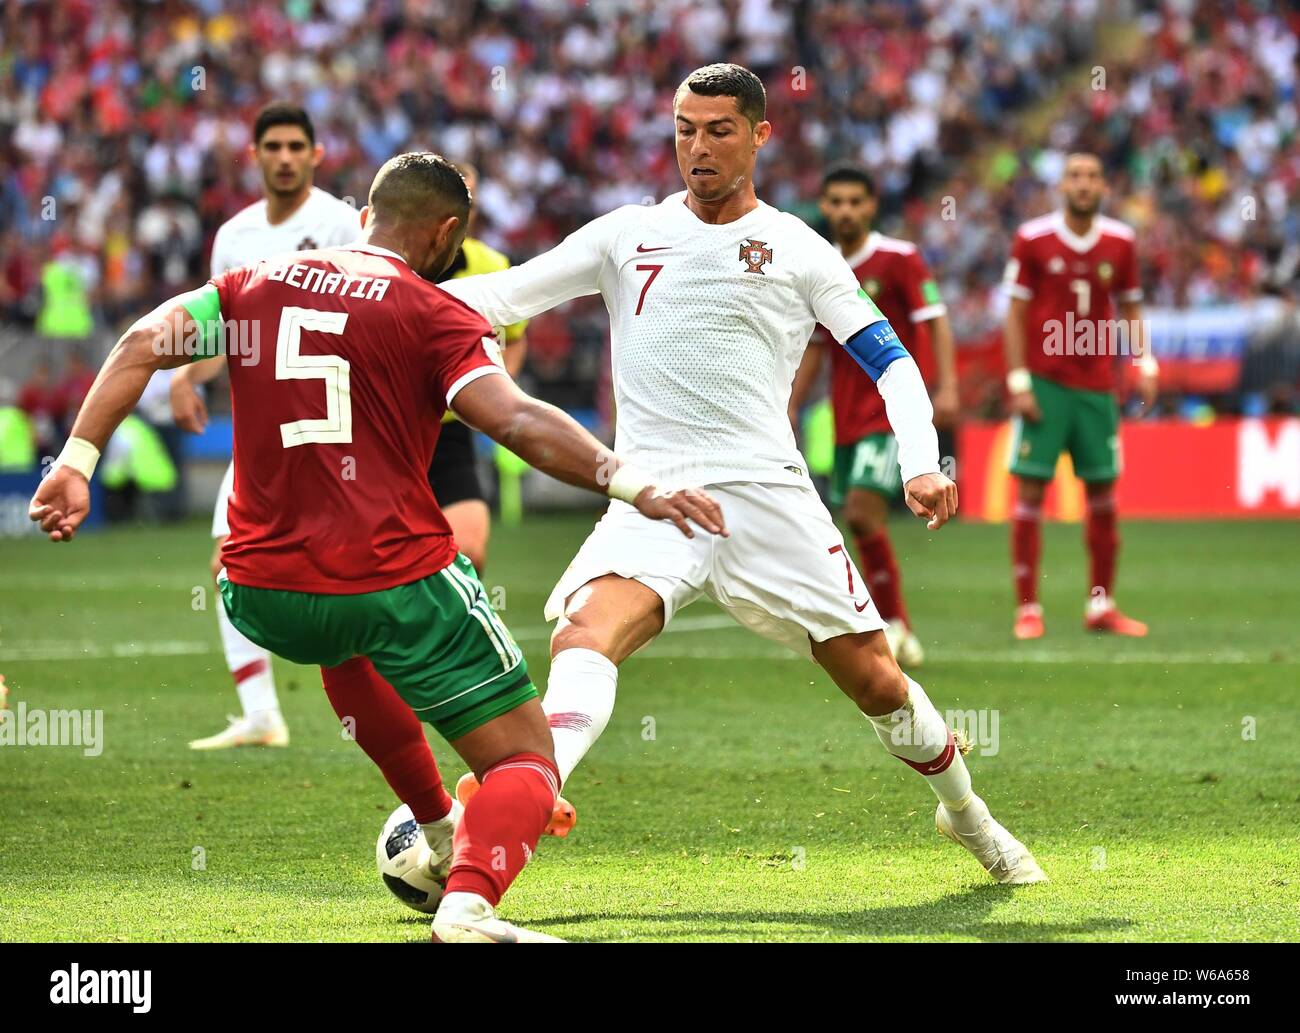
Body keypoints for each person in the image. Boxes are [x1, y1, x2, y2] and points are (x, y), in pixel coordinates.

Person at [30, 150, 725, 942]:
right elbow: (518, 420)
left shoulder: (255, 283)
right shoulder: (436, 312)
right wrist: (632, 481)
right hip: (392, 581)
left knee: (345, 641)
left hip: (259, 589)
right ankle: (467, 904)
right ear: (447, 235)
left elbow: (141, 342)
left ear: (364, 213)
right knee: (526, 762)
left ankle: (434, 826)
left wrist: (77, 464)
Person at [445, 64, 1045, 885]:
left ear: (761, 135)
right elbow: (499, 297)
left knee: (877, 682)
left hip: (767, 496)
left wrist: (918, 461)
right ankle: (532, 788)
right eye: (685, 128)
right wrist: (378, 288)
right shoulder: (624, 234)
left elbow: (890, 359)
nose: (698, 146)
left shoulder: (799, 248)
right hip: (652, 496)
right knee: (583, 634)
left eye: (719, 129)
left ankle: (968, 815)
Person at [169, 104, 361, 750]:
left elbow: (371, 311)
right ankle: (260, 713)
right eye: (272, 146)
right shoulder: (234, 237)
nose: (283, 156)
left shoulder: (340, 222)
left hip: (334, 426)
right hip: (261, 432)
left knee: (354, 567)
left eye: (295, 146)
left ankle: (397, 696)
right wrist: (185, 375)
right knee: (230, 557)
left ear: (316, 153)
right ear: (254, 155)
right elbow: (226, 330)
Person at [788, 163, 959, 667]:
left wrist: (946, 386)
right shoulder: (817, 263)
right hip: (844, 418)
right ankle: (886, 621)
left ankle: (895, 624)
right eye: (835, 201)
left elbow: (936, 322)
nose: (844, 211)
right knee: (856, 521)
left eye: (854, 202)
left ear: (870, 206)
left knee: (862, 513)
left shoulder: (900, 259)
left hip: (890, 415)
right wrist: (789, 405)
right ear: (824, 207)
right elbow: (818, 346)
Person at [1003, 152, 1156, 640]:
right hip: (1046, 385)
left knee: (1103, 497)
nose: (1084, 184)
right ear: (1062, 186)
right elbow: (1015, 314)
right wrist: (1019, 380)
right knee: (1030, 494)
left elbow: (1131, 307)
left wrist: (1143, 361)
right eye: (1075, 177)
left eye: (1092, 176)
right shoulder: (1032, 239)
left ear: (1104, 186)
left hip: (1096, 389)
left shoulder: (1121, 241)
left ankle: (1101, 605)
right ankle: (1028, 609)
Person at [427, 162, 529, 574]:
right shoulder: (390, 262)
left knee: (469, 553)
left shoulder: (493, 264)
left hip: (451, 430)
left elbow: (516, 339)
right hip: (387, 429)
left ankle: (447, 634)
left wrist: (494, 392)